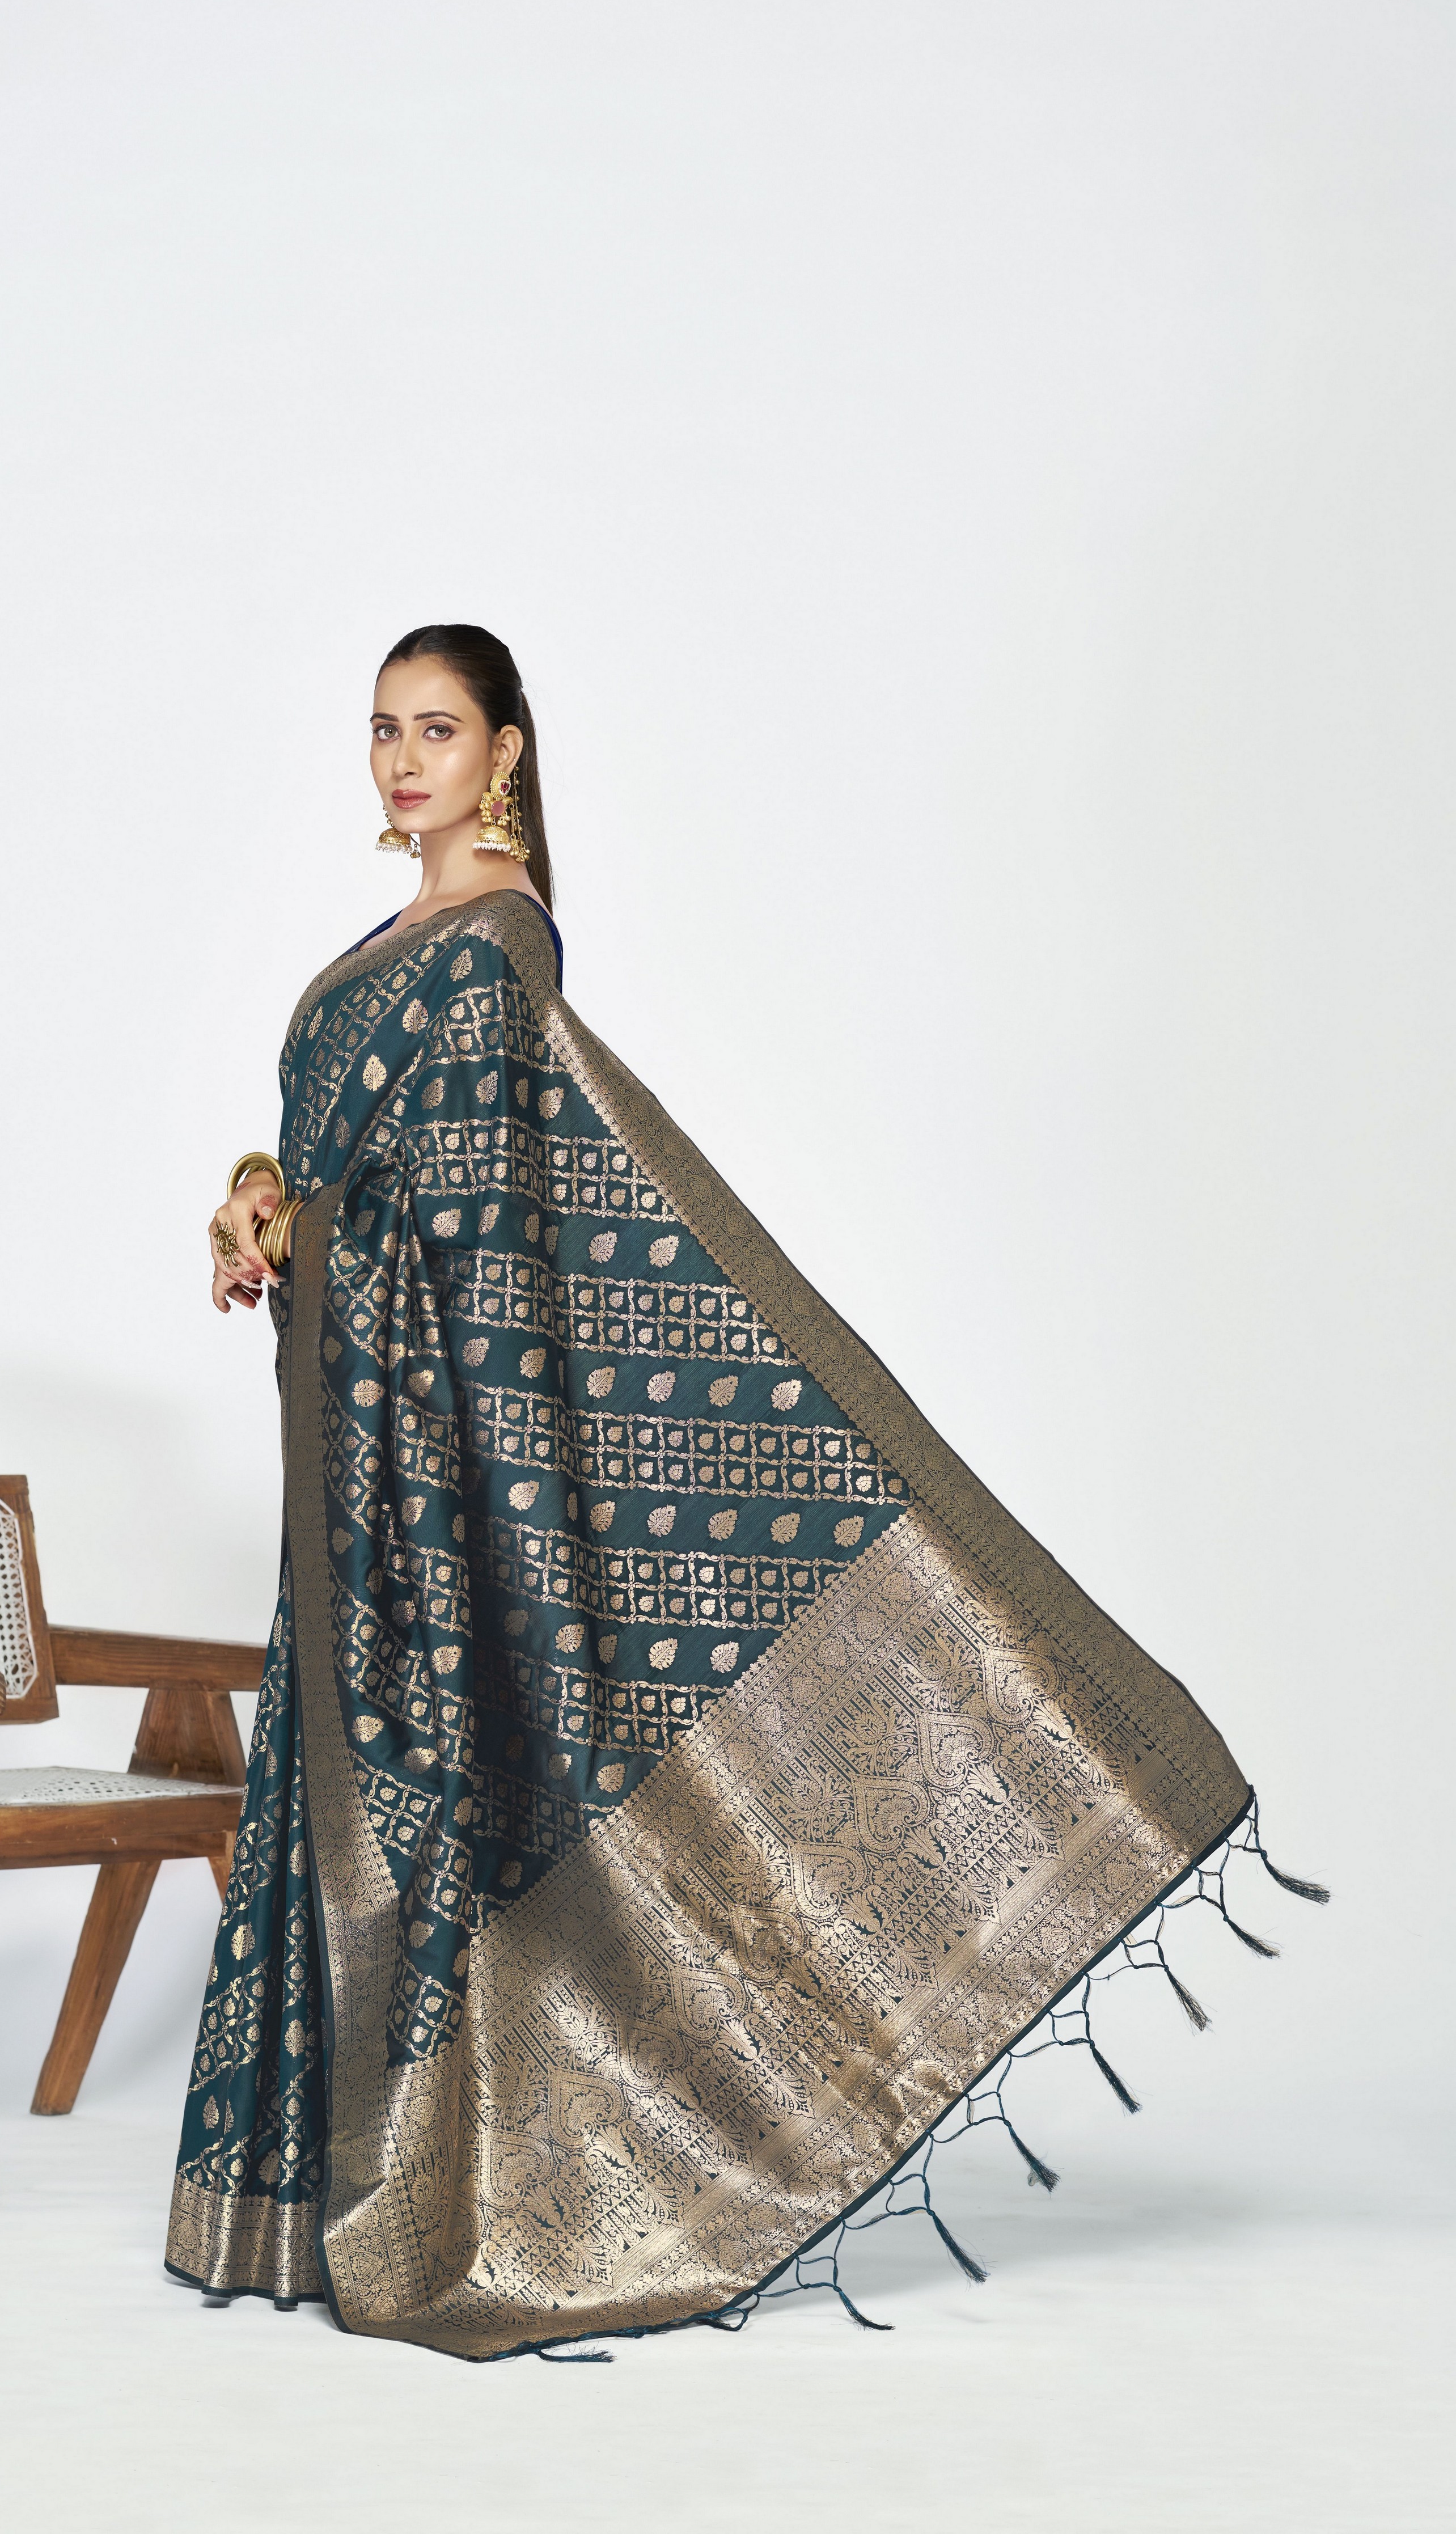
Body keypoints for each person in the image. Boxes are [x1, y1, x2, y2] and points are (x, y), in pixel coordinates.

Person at [165, 623, 1318, 2361]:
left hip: (431, 1465)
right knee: (340, 1765)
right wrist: (263, 1194)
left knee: (439, 1771)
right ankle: (295, 2193)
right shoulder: (387, 944)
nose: (403, 761)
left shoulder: (491, 948)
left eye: (438, 730)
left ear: (506, 754)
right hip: (351, 1443)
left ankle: (481, 2177)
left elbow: (469, 1228)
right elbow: (348, 1161)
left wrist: (319, 1229)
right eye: (384, 730)